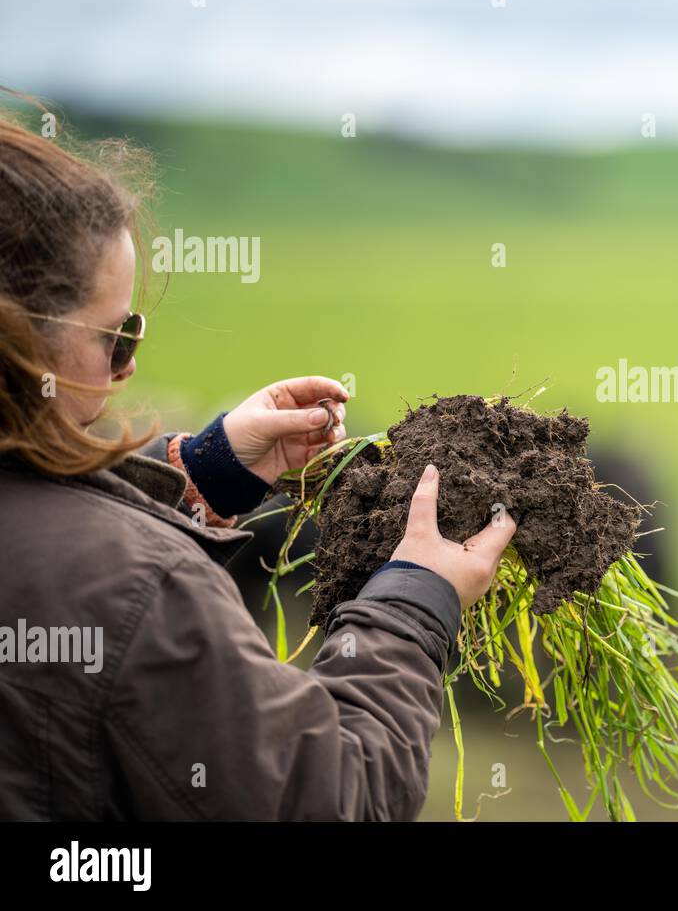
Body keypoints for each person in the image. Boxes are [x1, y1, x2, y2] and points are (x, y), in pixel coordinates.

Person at [0, 109, 516, 819]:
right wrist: (412, 604)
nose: (126, 370)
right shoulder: (145, 596)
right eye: (116, 336)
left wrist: (198, 472)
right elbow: (335, 796)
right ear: (23, 341)